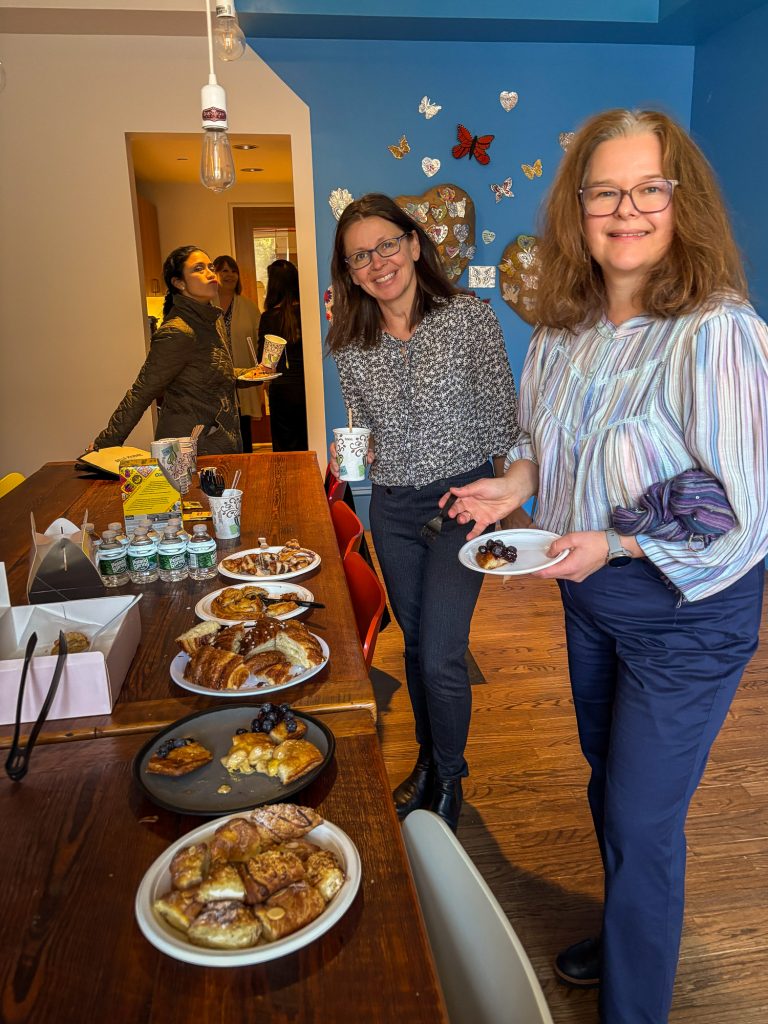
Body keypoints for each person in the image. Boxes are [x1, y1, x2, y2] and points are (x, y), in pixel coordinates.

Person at [446, 110, 768, 1022]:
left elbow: (742, 505)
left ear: (682, 201)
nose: (625, 210)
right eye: (603, 192)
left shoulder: (719, 332)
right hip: (586, 592)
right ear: (577, 209)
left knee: (640, 819)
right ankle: (627, 918)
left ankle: (636, 1003)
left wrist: (620, 543)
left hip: (686, 609)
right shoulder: (561, 330)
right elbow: (541, 445)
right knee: (607, 776)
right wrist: (511, 490)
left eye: (648, 188)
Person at [327, 193, 520, 831]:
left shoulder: (468, 319)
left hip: (461, 504)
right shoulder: (348, 342)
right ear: (349, 271)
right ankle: (428, 760)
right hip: (392, 508)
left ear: (414, 245)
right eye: (360, 256)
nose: (377, 263)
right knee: (413, 648)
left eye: (387, 245)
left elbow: (505, 419)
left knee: (440, 652)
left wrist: (505, 497)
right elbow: (365, 428)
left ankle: (451, 777)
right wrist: (354, 456)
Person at [92, 246, 242, 455]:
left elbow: (209, 373)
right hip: (190, 447)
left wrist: (250, 373)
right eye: (199, 269)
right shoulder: (178, 331)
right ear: (179, 283)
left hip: (215, 440)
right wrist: (104, 446)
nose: (210, 273)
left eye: (210, 267)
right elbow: (142, 392)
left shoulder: (210, 320)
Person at [213, 254, 263, 451]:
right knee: (218, 430)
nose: (230, 275)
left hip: (243, 377)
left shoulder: (249, 307)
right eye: (224, 270)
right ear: (214, 274)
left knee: (243, 428)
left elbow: (260, 340)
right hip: (216, 378)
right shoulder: (206, 306)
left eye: (233, 270)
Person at [257, 259, 308, 452]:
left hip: (282, 390)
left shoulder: (270, 317)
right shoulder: (309, 312)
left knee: (285, 450)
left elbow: (267, 364)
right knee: (308, 444)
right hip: (308, 389)